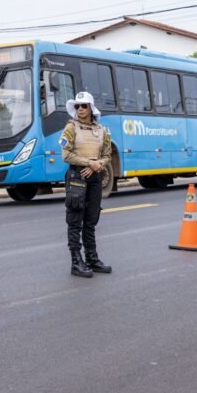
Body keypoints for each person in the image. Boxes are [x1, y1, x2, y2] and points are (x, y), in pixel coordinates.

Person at [59, 91, 112, 277]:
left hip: (95, 176)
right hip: (77, 176)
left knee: (91, 219)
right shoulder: (71, 128)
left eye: (84, 106)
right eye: (77, 106)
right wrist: (89, 163)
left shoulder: (101, 130)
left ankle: (92, 258)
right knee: (75, 220)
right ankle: (76, 262)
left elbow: (107, 155)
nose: (80, 109)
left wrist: (98, 165)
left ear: (91, 108)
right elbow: (66, 155)